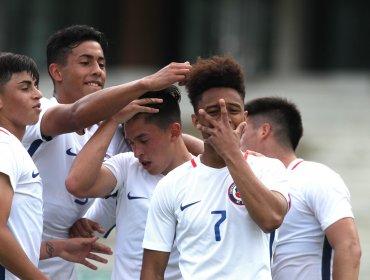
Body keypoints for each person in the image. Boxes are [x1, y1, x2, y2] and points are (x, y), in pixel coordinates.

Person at [20, 24, 191, 279]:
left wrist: (232, 150)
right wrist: (145, 82)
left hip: (63, 268)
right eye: (86, 62)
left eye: (101, 64)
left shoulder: (109, 132)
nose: (97, 71)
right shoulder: (40, 112)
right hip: (17, 263)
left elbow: (169, 138)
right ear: (56, 72)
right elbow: (75, 115)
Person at [140, 56, 290, 280]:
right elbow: (152, 270)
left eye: (233, 109)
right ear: (196, 120)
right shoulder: (172, 183)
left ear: (245, 118)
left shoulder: (269, 169)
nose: (225, 119)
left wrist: (231, 153)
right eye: (213, 111)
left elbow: (271, 219)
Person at [0, 52, 113, 280]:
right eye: (25, 88)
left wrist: (58, 248)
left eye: (36, 85)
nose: (38, 94)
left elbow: (16, 238)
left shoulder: (12, 146)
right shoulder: (4, 147)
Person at [66, 86, 191, 279]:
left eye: (143, 140)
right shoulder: (127, 166)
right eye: (131, 142)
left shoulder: (202, 178)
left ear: (174, 132)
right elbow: (77, 184)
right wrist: (113, 120)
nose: (137, 152)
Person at [240, 96, 361, 280]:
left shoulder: (315, 176)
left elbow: (349, 246)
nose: (236, 139)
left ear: (264, 130)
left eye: (242, 130)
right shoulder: (252, 186)